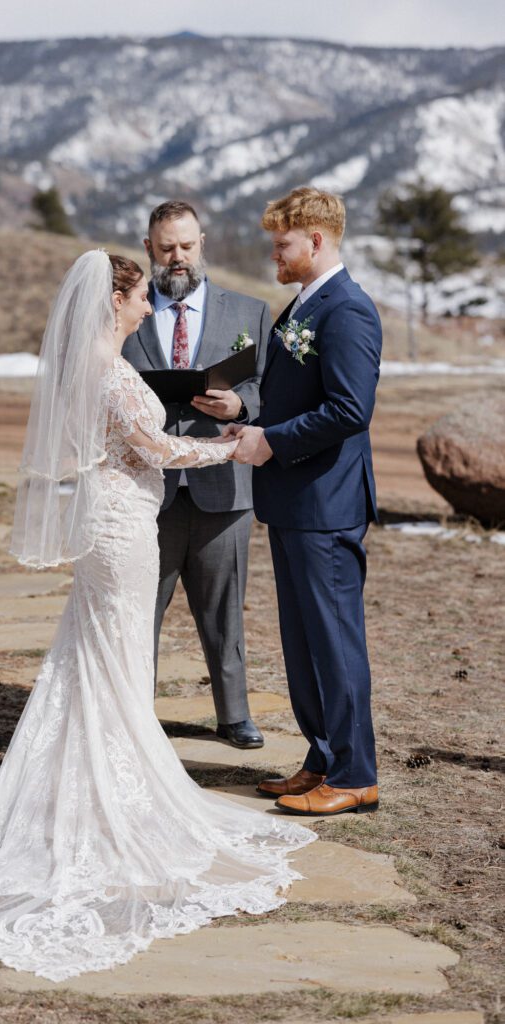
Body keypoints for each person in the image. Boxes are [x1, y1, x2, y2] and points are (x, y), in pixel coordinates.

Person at [0, 250, 313, 981]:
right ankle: (107, 795)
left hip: (110, 522)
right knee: (111, 657)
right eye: (141, 296)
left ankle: (78, 777)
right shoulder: (109, 371)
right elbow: (151, 446)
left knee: (92, 656)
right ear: (114, 298)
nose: (149, 307)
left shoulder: (96, 359)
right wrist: (235, 448)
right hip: (120, 531)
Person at [226, 187, 382, 816]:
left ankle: (355, 774)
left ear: (316, 241)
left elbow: (350, 409)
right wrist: (246, 417)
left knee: (335, 641)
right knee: (303, 642)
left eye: (283, 244)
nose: (275, 254)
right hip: (292, 500)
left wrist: (271, 442)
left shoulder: (347, 311)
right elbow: (292, 396)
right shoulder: (300, 308)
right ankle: (322, 757)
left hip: (326, 504)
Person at [122, 201, 271, 748]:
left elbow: (265, 386)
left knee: (224, 609)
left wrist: (239, 407)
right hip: (147, 488)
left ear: (202, 242)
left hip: (225, 487)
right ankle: (135, 714)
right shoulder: (127, 313)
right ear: (148, 248)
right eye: (166, 249)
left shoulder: (250, 312)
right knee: (139, 610)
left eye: (186, 246)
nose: (177, 258)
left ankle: (235, 716)